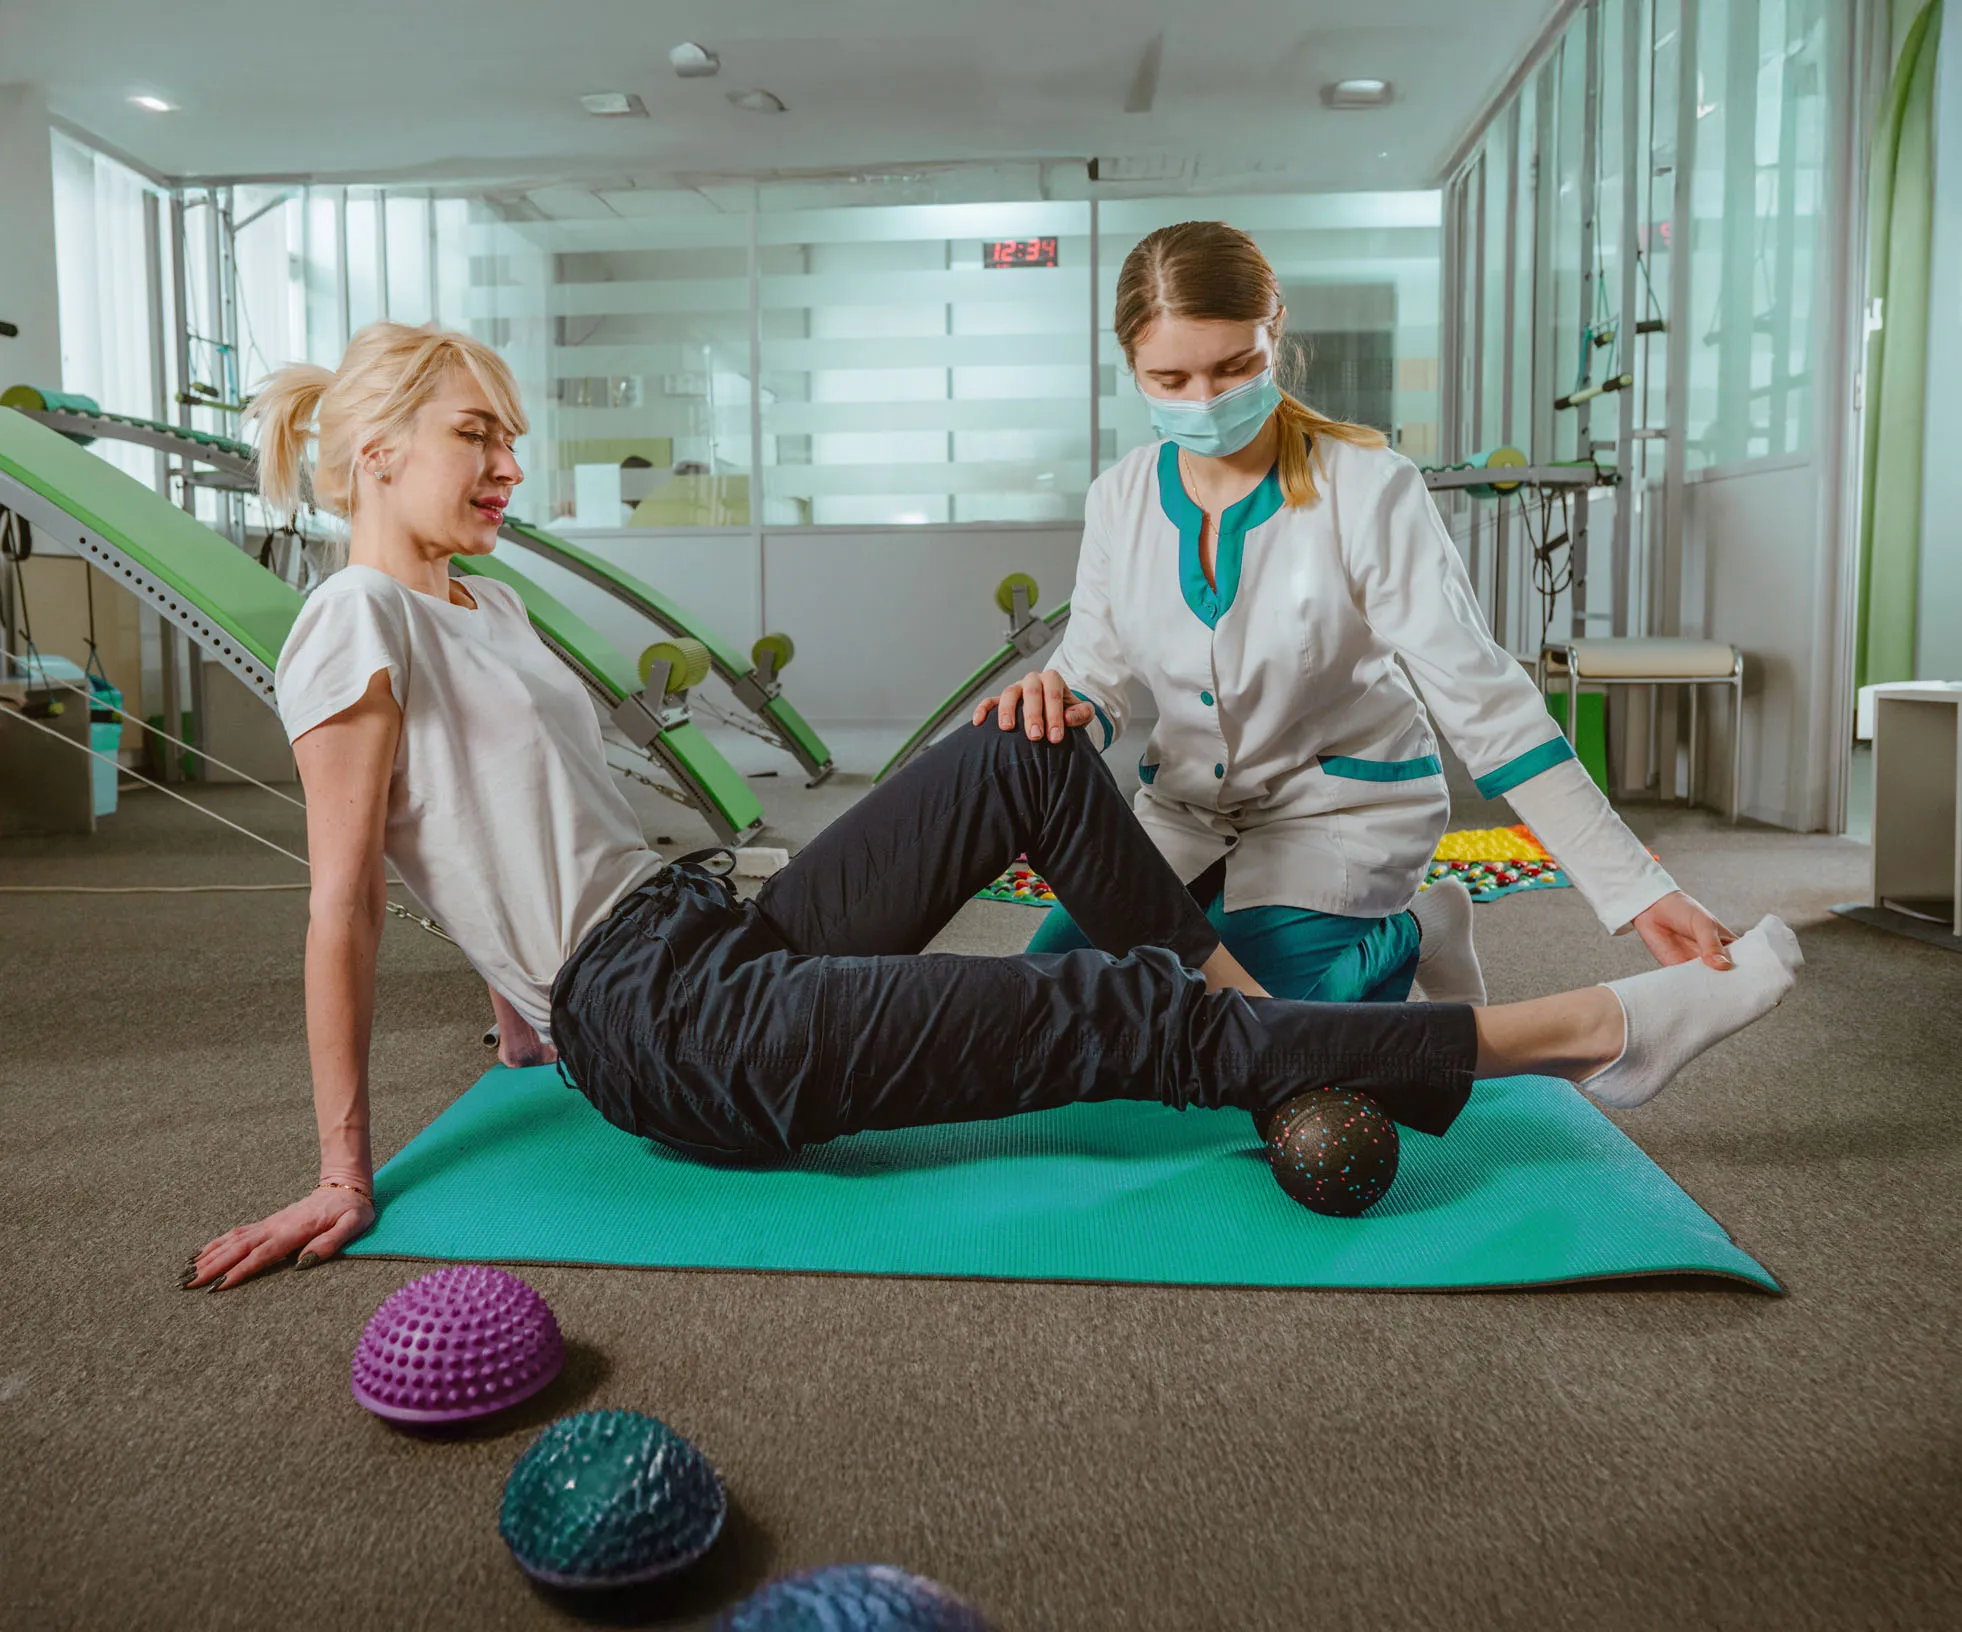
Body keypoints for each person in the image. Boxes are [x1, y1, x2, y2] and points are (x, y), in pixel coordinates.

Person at [183, 323, 1801, 1293]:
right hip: (669, 1031)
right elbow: (351, 891)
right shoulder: (354, 621)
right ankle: (1594, 1032)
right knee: (1097, 1007)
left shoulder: (488, 607)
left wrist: (510, 1008)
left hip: (695, 933)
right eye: (481, 440)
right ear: (378, 452)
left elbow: (482, 825)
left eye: (513, 443)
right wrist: (343, 1170)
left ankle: (1252, 1025)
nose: (508, 471)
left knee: (1014, 752)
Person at [983, 221, 1733, 1010]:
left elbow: (1486, 703)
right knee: (1057, 1004)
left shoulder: (1368, 488)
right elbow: (1092, 676)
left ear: (1274, 336)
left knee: (1260, 1038)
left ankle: (1422, 927)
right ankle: (1227, 910)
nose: (1204, 402)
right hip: (1186, 815)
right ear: (1132, 366)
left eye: (1234, 368)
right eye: (1170, 379)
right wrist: (1054, 700)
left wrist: (1638, 890)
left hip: (1337, 812)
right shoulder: (1118, 499)